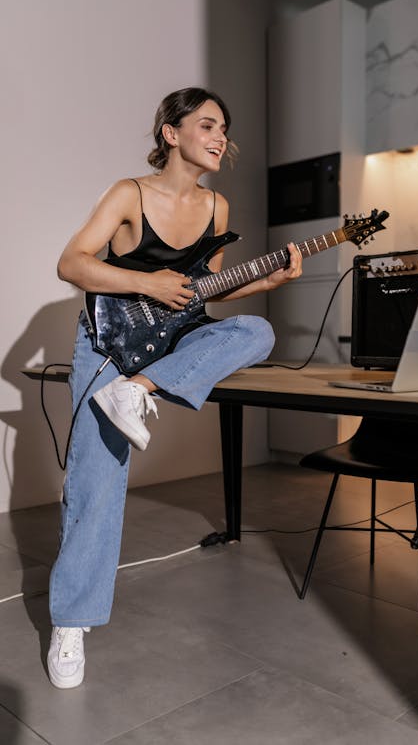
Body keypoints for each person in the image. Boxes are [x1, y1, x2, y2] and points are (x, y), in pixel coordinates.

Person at [47, 87, 302, 688]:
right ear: (171, 132)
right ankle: (72, 624)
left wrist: (266, 282)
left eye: (225, 129)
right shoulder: (129, 193)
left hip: (165, 348)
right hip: (108, 342)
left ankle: (139, 388)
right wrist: (149, 285)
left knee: (257, 331)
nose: (221, 138)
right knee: (96, 483)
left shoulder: (217, 208)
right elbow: (72, 263)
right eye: (208, 125)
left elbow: (202, 292)